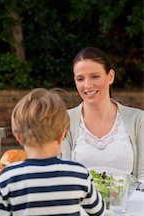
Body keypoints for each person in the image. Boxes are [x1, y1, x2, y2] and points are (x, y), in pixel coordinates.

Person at [0, 88, 105, 216]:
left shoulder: (7, 177)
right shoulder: (79, 173)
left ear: (19, 137)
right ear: (62, 135)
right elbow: (98, 212)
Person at [61, 47, 144, 189]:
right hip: (81, 207)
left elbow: (143, 176)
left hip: (128, 207)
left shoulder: (138, 119)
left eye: (95, 76)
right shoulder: (64, 120)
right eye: (80, 79)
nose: (87, 85)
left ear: (110, 76)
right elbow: (64, 177)